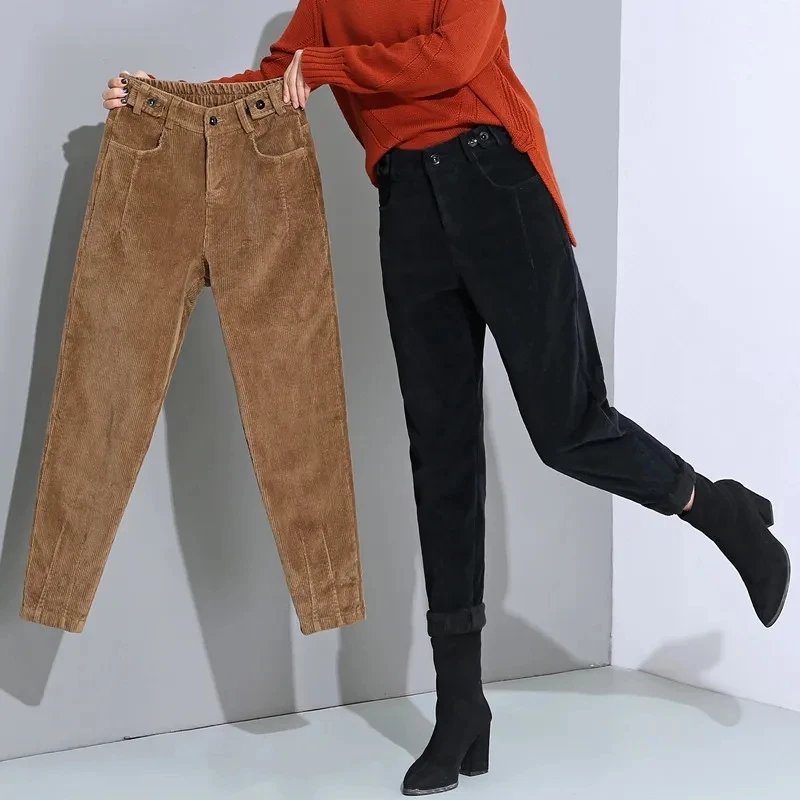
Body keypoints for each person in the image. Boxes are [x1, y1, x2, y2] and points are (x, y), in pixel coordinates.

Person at [102, 1, 790, 796]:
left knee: (569, 426)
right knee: (441, 456)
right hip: (408, 210)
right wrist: (160, 100)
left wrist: (326, 67)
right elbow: (267, 87)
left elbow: (451, 58)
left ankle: (719, 510)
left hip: (496, 184)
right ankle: (461, 706)